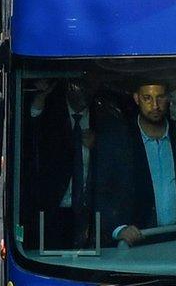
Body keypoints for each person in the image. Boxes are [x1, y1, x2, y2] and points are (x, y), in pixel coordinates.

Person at [97, 81, 176, 246]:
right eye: (147, 98)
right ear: (136, 99)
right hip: (138, 243)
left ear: (168, 98)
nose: (154, 105)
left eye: (160, 97)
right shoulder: (119, 141)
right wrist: (118, 228)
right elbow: (101, 191)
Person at [21, 79, 121, 249]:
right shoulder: (50, 113)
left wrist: (98, 148)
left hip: (93, 211)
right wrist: (39, 100)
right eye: (76, 83)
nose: (82, 89)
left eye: (88, 82)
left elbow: (119, 163)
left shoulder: (107, 118)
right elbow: (29, 140)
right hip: (53, 211)